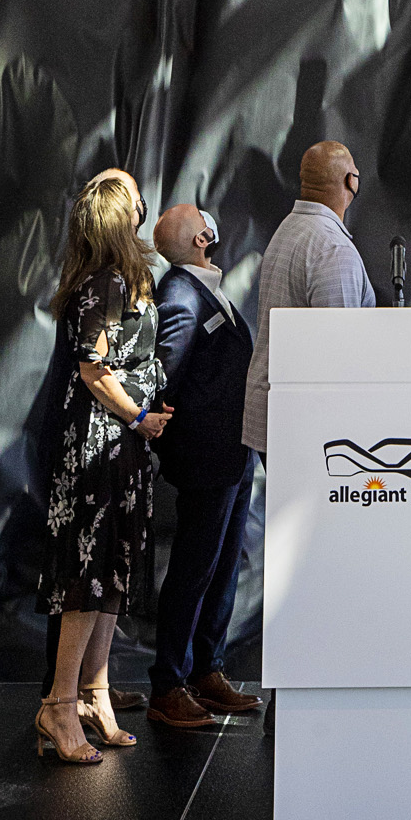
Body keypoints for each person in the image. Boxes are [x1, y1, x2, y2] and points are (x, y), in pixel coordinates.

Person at [36, 168, 173, 766]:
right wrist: (140, 416)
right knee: (88, 577)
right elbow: (95, 371)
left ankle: (93, 694)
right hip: (98, 444)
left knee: (110, 572)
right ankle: (60, 705)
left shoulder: (119, 279)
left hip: (119, 443)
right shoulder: (104, 284)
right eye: (136, 199)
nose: (145, 205)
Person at [146, 204, 261, 732]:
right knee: (194, 570)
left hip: (233, 455)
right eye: (205, 220)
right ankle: (168, 683)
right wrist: (177, 445)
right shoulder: (180, 296)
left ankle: (207, 671)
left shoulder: (205, 288)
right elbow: (161, 380)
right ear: (201, 238)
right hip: (206, 459)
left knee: (218, 569)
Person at [241, 140, 375, 456]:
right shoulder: (332, 248)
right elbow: (336, 356)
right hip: (308, 429)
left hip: (278, 414)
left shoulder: (290, 228)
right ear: (351, 182)